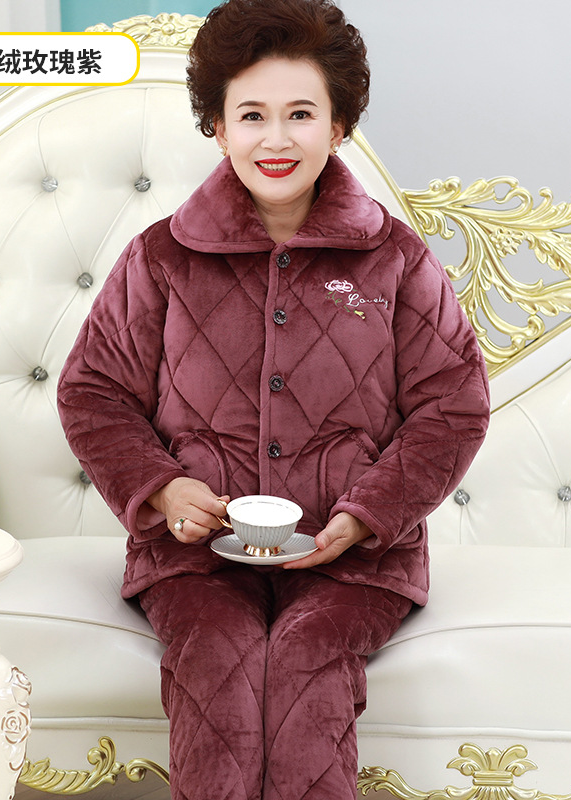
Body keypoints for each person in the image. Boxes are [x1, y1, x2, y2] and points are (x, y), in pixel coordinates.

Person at [57, 0, 490, 798]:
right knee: (217, 658)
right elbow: (93, 391)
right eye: (252, 115)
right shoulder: (161, 257)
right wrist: (163, 490)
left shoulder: (394, 258)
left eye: (301, 113)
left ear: (339, 125)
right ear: (218, 127)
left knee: (304, 659)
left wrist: (369, 514)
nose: (277, 139)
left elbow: (454, 404)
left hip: (354, 559)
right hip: (195, 555)